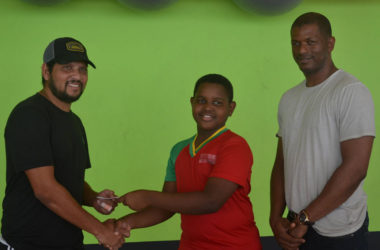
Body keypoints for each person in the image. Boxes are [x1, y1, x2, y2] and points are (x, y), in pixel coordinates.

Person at [0, 37, 126, 250]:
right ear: (46, 71)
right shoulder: (29, 115)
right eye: (67, 68)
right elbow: (45, 190)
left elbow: (69, 179)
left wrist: (93, 198)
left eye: (82, 69)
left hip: (68, 242)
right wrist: (100, 230)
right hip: (27, 243)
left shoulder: (74, 121)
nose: (77, 76)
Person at [114, 74, 262, 249]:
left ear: (231, 108)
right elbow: (167, 205)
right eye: (201, 100)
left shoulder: (235, 146)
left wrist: (147, 197)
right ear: (192, 102)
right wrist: (124, 223)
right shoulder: (179, 150)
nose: (207, 108)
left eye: (217, 103)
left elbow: (211, 201)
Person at [270, 12, 375, 250]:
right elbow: (281, 164)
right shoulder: (289, 98)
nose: (302, 50)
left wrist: (307, 216)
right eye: (296, 43)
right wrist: (276, 218)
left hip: (339, 231)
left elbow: (356, 168)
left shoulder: (351, 91)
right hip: (296, 226)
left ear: (330, 43)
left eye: (310, 42)